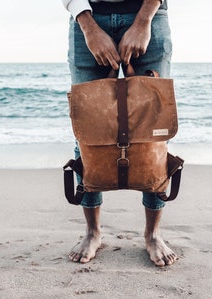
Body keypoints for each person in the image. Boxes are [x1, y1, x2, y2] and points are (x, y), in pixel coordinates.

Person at [61, 0, 177, 267]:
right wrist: (88, 28)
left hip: (149, 13)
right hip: (88, 17)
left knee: (154, 133)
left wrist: (143, 20)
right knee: (89, 134)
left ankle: (153, 234)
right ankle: (92, 233)